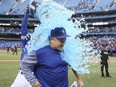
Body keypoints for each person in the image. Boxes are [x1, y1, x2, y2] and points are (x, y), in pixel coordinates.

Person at [11, 6, 32, 87]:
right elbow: (23, 27)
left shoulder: (41, 46)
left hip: (34, 76)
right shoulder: (25, 42)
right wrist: (26, 13)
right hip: (22, 75)